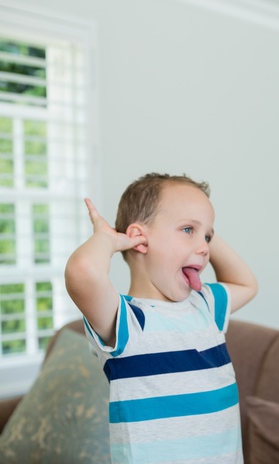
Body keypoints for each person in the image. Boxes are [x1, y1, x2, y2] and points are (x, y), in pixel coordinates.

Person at [65, 173, 258, 464]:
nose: (205, 247)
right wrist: (109, 240)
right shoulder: (127, 320)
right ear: (140, 240)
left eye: (208, 236)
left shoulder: (205, 306)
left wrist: (202, 234)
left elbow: (247, 284)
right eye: (187, 229)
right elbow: (83, 272)